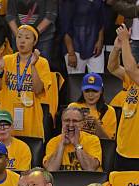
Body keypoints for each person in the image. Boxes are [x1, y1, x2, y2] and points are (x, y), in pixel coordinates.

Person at [0, 24, 51, 140]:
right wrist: (0, 70)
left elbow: (38, 90)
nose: (22, 41)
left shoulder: (42, 63)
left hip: (31, 121)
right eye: (19, 37)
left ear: (34, 42)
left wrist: (33, 65)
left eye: (27, 38)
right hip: (7, 120)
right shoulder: (7, 60)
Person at [108, 23, 139, 170]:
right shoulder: (133, 81)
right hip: (124, 148)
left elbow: (130, 69)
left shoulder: (135, 75)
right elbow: (112, 68)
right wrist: (117, 48)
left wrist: (126, 40)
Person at [43, 106, 102, 171]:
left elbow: (90, 168)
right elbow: (51, 169)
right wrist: (61, 145)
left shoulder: (92, 140)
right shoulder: (53, 142)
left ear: (82, 124)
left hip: (87, 180)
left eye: (75, 121)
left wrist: (77, 144)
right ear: (62, 122)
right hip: (62, 180)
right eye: (67, 120)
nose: (71, 125)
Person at [60, 0, 106, 74]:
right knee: (76, 82)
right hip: (75, 47)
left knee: (98, 79)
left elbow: (101, 21)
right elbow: (65, 28)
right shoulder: (69, 2)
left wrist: (100, 40)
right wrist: (71, 53)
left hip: (95, 46)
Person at [5, 0, 58, 64]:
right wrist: (19, 36)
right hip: (18, 37)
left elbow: (50, 15)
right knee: (18, 68)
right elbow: (10, 15)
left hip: (43, 39)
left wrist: (33, 34)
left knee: (41, 67)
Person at [69, 73, 117, 140]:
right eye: (87, 91)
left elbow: (108, 141)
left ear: (101, 91)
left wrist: (96, 125)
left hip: (98, 148)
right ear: (82, 91)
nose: (90, 95)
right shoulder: (73, 107)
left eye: (95, 91)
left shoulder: (109, 111)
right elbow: (65, 134)